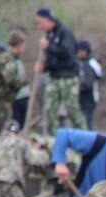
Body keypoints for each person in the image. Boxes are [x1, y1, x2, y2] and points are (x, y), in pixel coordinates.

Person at [34, 7, 88, 135]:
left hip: (68, 77)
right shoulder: (49, 35)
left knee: (72, 109)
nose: (39, 26)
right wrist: (44, 67)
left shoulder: (65, 32)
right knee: (49, 109)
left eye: (40, 22)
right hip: (54, 77)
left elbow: (67, 53)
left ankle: (85, 136)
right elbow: (53, 60)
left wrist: (49, 46)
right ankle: (53, 138)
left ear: (48, 20)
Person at [0, 36, 25, 139]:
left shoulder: (9, 58)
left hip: (4, 99)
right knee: (1, 130)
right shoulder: (8, 59)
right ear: (19, 45)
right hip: (1, 100)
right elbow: (9, 79)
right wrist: (22, 82)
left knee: (2, 129)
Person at [76, 39, 101, 129]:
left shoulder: (88, 64)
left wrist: (77, 89)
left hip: (88, 99)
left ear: (84, 51)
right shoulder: (87, 63)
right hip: (87, 99)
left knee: (86, 123)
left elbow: (88, 84)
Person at [10, 31, 31, 129]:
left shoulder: (17, 59)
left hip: (23, 97)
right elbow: (11, 81)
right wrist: (24, 81)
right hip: (16, 99)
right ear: (19, 45)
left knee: (22, 126)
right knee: (15, 126)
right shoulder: (9, 60)